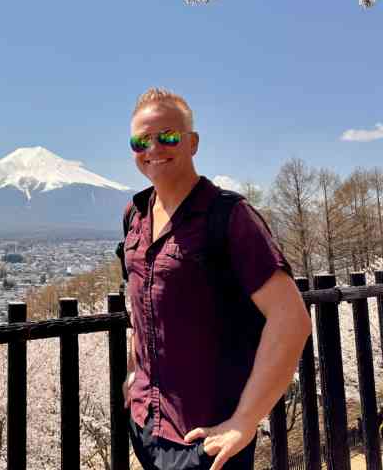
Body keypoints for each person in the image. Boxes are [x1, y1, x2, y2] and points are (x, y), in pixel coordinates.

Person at [121, 88, 311, 470]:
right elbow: (139, 306)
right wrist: (132, 379)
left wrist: (243, 421)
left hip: (207, 436)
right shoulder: (135, 214)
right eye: (141, 140)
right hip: (146, 422)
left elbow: (291, 319)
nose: (154, 147)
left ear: (193, 143)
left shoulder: (229, 216)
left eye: (168, 136)